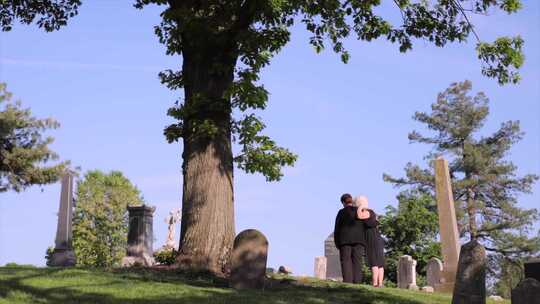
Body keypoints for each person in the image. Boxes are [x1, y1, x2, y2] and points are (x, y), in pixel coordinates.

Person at [333, 193, 370, 284]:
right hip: (359, 240)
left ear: (343, 202)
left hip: (345, 240)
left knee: (346, 261)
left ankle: (348, 281)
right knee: (357, 261)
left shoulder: (341, 212)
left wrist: (337, 242)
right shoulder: (359, 211)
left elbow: (337, 228)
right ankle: (357, 281)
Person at [355, 195, 385, 287]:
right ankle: (380, 283)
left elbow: (359, 216)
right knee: (380, 263)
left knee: (374, 262)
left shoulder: (367, 212)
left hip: (372, 239)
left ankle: (375, 283)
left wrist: (360, 207)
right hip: (377, 238)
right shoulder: (372, 213)